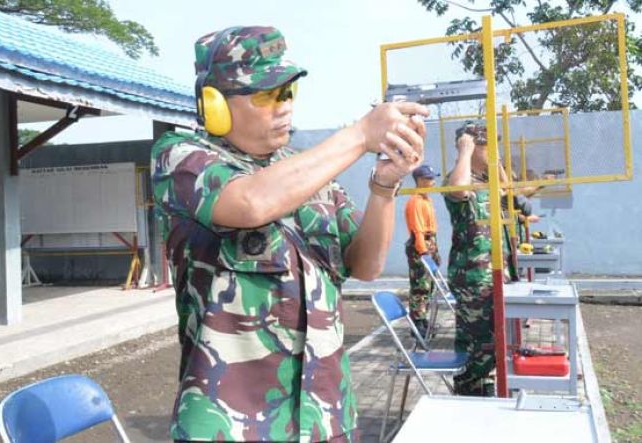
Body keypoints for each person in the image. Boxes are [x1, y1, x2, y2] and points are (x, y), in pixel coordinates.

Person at [151, 26, 428, 442]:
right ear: (214, 104)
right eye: (265, 96)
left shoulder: (308, 172)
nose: (283, 107)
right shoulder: (180, 158)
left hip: (324, 416)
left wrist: (384, 186)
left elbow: (367, 265)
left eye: (287, 93)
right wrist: (358, 134)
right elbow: (250, 203)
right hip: (231, 424)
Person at [443, 121, 512, 397]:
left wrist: (495, 162)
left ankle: (483, 390)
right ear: (473, 146)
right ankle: (471, 395)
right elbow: (459, 190)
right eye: (489, 146)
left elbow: (508, 191)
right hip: (472, 276)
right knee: (477, 344)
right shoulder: (458, 177)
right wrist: (465, 151)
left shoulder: (486, 180)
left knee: (491, 342)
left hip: (492, 274)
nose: (494, 152)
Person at [404, 164, 441, 337]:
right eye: (429, 178)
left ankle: (423, 320)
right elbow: (417, 228)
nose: (433, 182)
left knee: (429, 285)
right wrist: (423, 250)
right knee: (420, 286)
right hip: (422, 244)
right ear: (420, 180)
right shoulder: (415, 201)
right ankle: (417, 323)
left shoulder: (426, 199)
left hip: (429, 242)